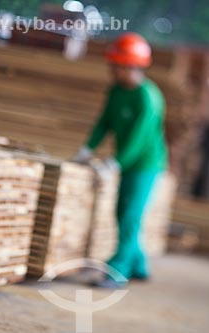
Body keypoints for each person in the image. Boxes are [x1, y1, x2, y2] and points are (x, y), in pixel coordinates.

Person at [73, 32, 168, 288]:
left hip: (145, 165)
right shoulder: (116, 91)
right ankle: (139, 265)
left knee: (129, 215)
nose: (111, 70)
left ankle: (118, 272)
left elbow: (139, 138)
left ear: (130, 65)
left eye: (115, 65)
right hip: (127, 162)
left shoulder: (147, 97)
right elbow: (104, 122)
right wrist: (87, 149)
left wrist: (116, 162)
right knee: (123, 213)